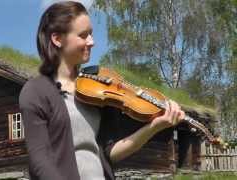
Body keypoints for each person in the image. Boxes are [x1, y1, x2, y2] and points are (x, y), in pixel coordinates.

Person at [19, 1, 185, 180]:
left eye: (91, 33)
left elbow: (110, 153)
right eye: (83, 35)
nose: (92, 42)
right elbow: (40, 160)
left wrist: (155, 126)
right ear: (57, 39)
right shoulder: (35, 91)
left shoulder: (96, 91)